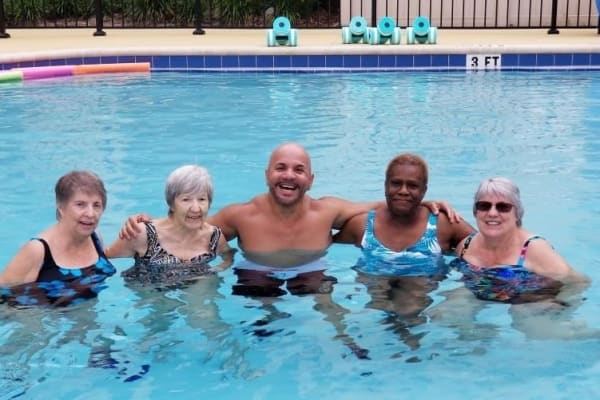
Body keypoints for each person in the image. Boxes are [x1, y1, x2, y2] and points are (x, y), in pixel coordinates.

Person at [333, 153, 475, 349]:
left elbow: (483, 246)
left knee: (411, 307)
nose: (403, 191)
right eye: (396, 183)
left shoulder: (443, 224)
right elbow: (323, 246)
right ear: (385, 186)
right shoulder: (361, 225)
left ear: (424, 190)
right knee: (374, 312)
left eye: (413, 186)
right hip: (375, 289)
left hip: (419, 291)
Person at [450, 177, 588, 304]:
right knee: (446, 311)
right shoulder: (466, 246)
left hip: (529, 299)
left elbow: (579, 282)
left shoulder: (534, 249)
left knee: (523, 315)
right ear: (475, 212)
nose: (492, 213)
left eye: (503, 207)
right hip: (481, 293)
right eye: (484, 206)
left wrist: (560, 304)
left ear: (517, 213)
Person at [105, 165, 234, 287]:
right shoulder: (141, 234)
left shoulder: (214, 237)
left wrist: (213, 271)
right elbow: (102, 258)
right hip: (150, 289)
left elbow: (228, 257)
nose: (196, 208)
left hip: (194, 287)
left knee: (204, 292)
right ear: (171, 204)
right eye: (186, 199)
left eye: (202, 199)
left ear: (209, 203)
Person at [0, 170, 116, 307]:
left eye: (96, 205)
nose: (91, 213)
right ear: (61, 207)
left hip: (88, 321)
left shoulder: (95, 237)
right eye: (80, 204)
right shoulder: (37, 250)